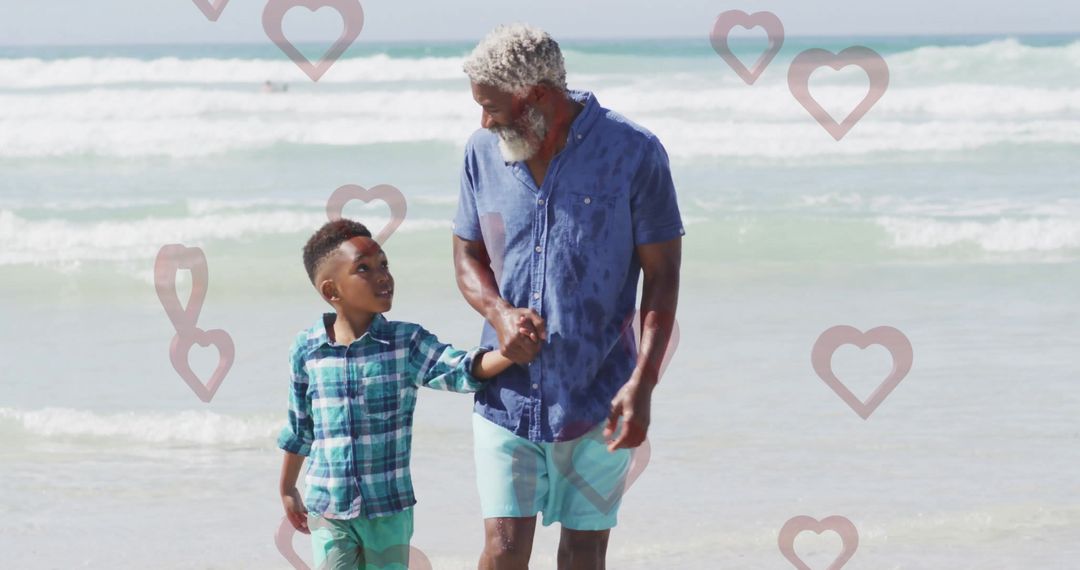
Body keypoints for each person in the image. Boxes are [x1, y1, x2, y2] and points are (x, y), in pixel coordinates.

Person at [453, 23, 684, 570]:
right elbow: (466, 256)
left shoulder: (635, 153)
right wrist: (499, 314)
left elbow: (663, 276)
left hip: (600, 393)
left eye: (491, 106)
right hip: (505, 395)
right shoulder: (481, 153)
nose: (484, 121)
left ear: (536, 96)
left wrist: (643, 383)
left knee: (584, 554)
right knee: (504, 551)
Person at [277, 219, 539, 569]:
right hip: (328, 507)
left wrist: (508, 353)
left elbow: (459, 370)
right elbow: (300, 428)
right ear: (331, 291)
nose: (383, 276)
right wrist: (287, 487)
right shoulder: (308, 349)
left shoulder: (405, 343)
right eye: (364, 269)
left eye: (384, 264)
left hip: (388, 509)